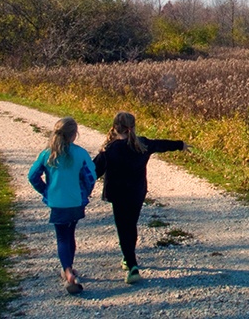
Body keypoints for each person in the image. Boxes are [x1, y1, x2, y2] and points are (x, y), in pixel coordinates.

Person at [94, 111, 188, 284]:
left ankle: (132, 264)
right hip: (137, 192)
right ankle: (128, 257)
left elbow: (93, 171)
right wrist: (180, 144)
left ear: (115, 128)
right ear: (133, 127)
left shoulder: (109, 150)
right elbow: (161, 144)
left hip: (118, 194)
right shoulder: (142, 144)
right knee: (132, 224)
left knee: (123, 227)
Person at [28, 117, 96, 295]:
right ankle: (69, 270)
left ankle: (67, 271)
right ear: (74, 135)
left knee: (62, 237)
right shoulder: (80, 154)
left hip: (57, 202)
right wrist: (86, 192)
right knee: (70, 234)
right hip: (75, 201)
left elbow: (32, 176)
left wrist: (45, 191)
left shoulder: (48, 154)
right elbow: (90, 177)